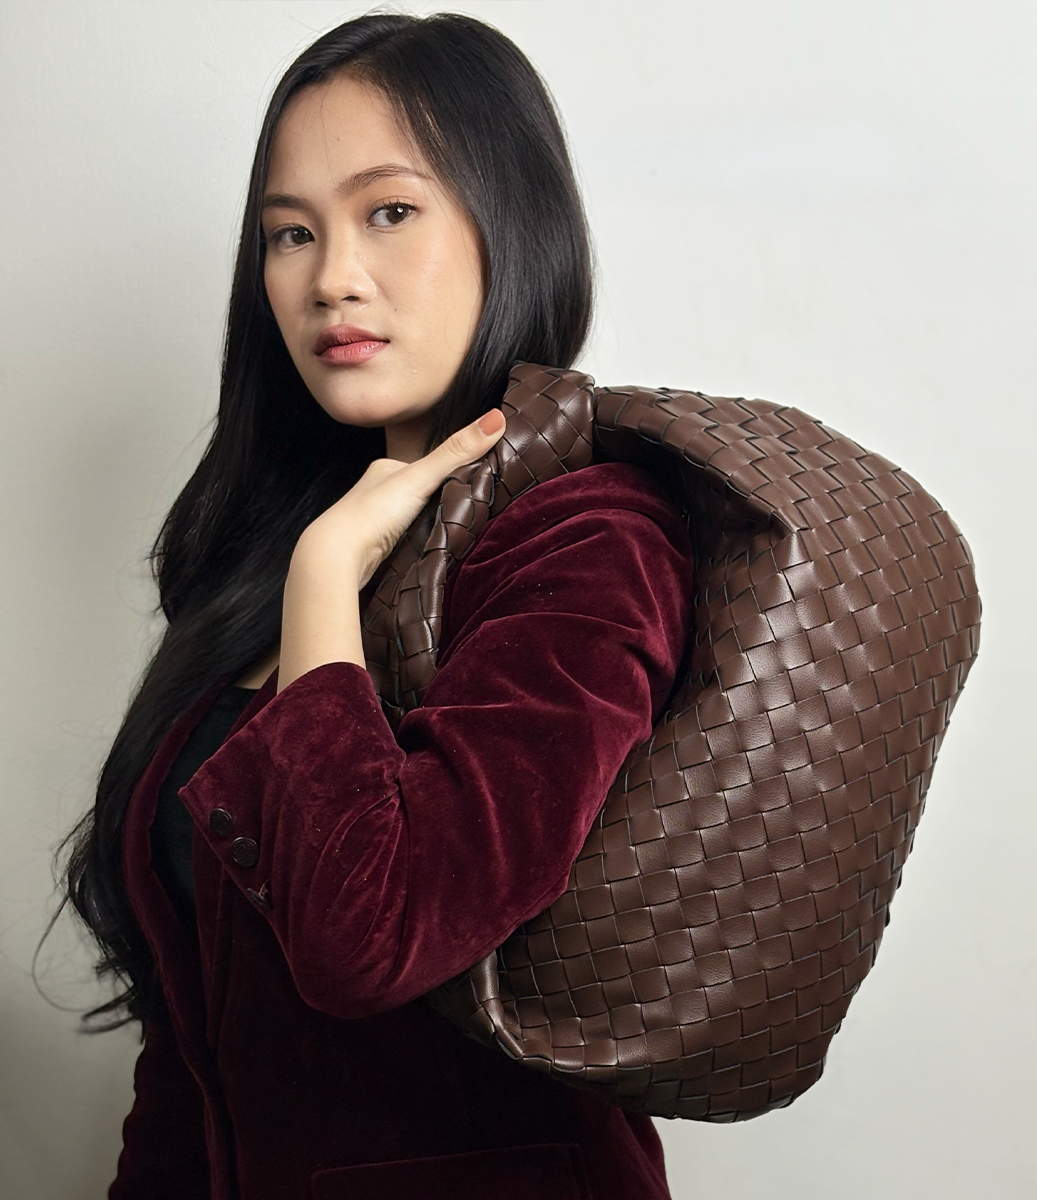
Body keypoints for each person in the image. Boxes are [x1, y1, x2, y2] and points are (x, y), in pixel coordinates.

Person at [53, 12, 693, 1199]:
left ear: (511, 225)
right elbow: (189, 1056)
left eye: (389, 211)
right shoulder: (265, 557)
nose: (331, 277)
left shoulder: (587, 540)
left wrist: (322, 580)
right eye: (291, 233)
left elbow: (370, 939)